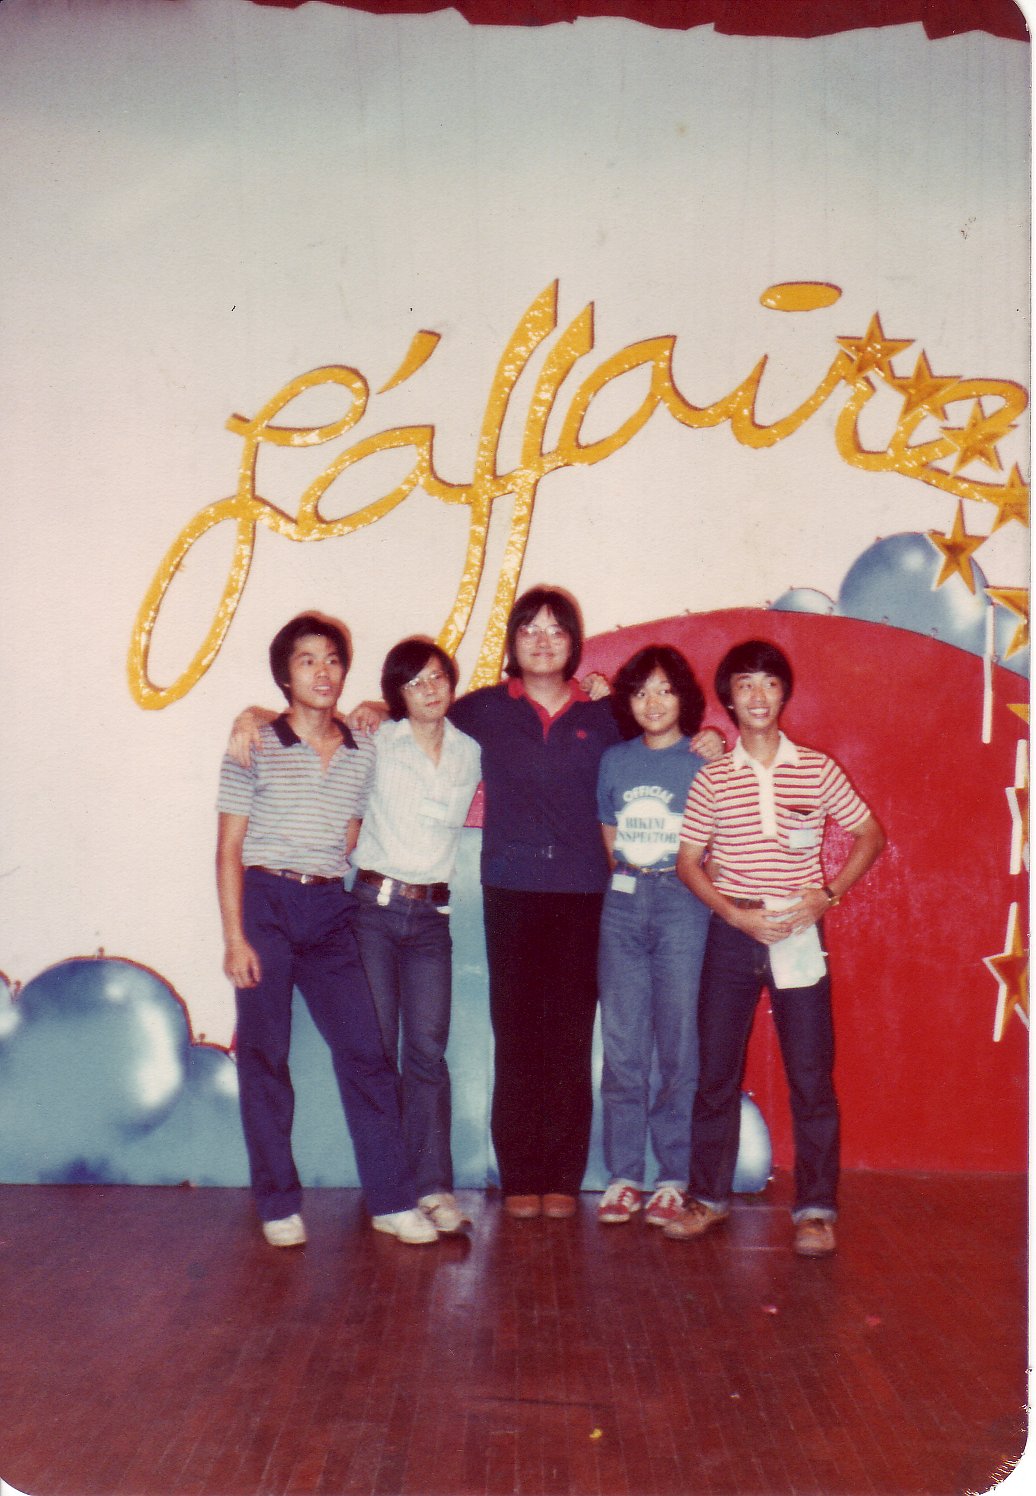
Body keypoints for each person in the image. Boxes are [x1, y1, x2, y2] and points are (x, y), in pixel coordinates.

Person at [216, 613, 437, 1247]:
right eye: (307, 660)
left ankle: (392, 1201)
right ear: (285, 675)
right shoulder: (254, 741)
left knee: (367, 1053)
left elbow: (354, 824)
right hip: (265, 901)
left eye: (333, 659)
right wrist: (235, 939)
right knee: (266, 1057)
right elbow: (227, 849)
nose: (322, 671)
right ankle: (277, 1204)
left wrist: (378, 706)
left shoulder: (363, 746)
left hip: (329, 907)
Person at [664, 639, 885, 1257]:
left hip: (797, 932)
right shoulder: (713, 777)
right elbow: (687, 862)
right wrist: (735, 914)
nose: (757, 696)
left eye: (768, 683)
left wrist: (827, 896)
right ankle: (706, 1198)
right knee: (715, 1073)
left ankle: (815, 1210)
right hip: (733, 933)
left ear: (784, 693)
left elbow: (870, 833)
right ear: (729, 699)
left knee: (811, 1075)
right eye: (744, 685)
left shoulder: (816, 768)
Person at [446, 586, 623, 1220]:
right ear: (513, 642)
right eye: (530, 630)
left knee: (570, 1038)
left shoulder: (606, 715)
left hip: (582, 892)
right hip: (511, 890)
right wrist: (366, 710)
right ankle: (521, 1174)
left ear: (574, 643)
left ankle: (562, 1178)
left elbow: (665, 736)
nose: (542, 640)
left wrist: (706, 742)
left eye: (555, 630)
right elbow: (415, 717)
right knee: (518, 1036)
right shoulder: (485, 709)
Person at [350, 639, 481, 1236]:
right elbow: (313, 730)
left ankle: (432, 1187)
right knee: (377, 1050)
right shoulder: (376, 741)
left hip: (431, 920)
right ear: (396, 694)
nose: (430, 689)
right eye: (415, 681)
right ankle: (389, 1192)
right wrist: (252, 716)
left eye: (438, 677)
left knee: (427, 1052)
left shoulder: (470, 751)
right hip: (373, 912)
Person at [594, 645, 711, 1229]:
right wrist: (631, 880)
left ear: (684, 697)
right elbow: (608, 831)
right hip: (623, 902)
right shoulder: (614, 761)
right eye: (641, 692)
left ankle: (672, 1178)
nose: (654, 702)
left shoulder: (702, 760)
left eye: (665, 690)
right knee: (622, 1046)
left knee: (678, 1044)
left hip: (682, 902)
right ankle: (623, 1176)